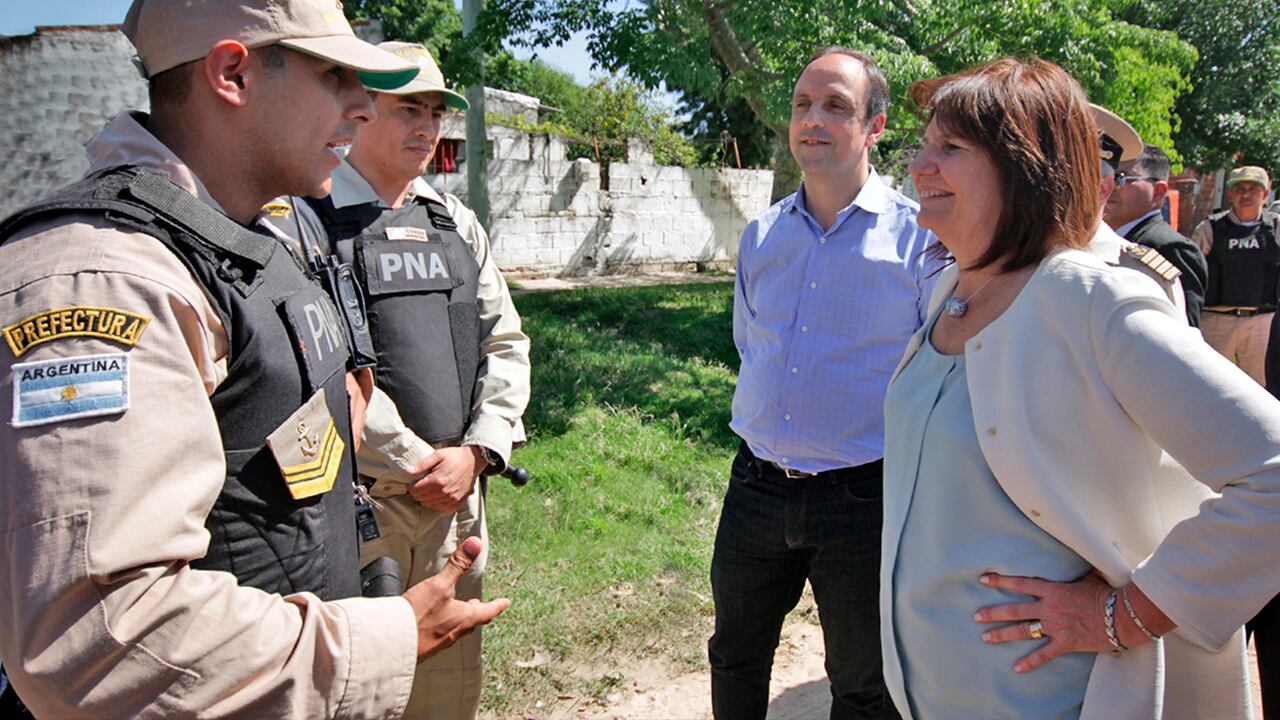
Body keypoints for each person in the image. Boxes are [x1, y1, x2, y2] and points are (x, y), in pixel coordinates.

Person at [0, 1, 509, 717]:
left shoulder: (243, 242)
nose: (363, 106)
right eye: (334, 75)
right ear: (232, 74)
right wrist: (383, 640)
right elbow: (103, 640)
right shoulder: (106, 278)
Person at [881, 57, 1278, 720]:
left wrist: (1129, 614)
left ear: (1024, 168)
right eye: (924, 146)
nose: (919, 166)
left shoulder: (1090, 297)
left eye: (950, 148)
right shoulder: (953, 288)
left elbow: (1272, 470)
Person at [261, 41, 531, 720]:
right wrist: (421, 463)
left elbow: (505, 342)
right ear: (360, 110)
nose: (428, 127)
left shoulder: (454, 222)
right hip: (356, 507)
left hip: (456, 503)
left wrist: (478, 452)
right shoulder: (300, 222)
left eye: (436, 112)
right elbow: (318, 369)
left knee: (445, 694)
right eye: (410, 109)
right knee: (353, 693)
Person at [710, 46, 940, 720]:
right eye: (802, 104)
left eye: (836, 106)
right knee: (734, 656)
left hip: (863, 498)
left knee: (865, 683)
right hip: (755, 488)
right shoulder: (762, 235)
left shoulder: (919, 240)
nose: (812, 119)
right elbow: (751, 344)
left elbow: (935, 374)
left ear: (875, 127)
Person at [1103, 144, 1208, 326]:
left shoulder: (1171, 248)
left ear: (1158, 192)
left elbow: (1182, 328)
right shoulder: (1098, 239)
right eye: (1104, 177)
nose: (1108, 186)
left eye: (1120, 178)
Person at [1193, 165, 1279, 383]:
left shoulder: (1277, 227)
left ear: (1265, 194)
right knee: (1210, 384)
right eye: (1240, 189)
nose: (1246, 195)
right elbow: (1192, 274)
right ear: (1230, 193)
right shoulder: (1209, 228)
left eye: (1253, 189)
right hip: (1216, 320)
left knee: (1260, 389)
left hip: (1262, 322)